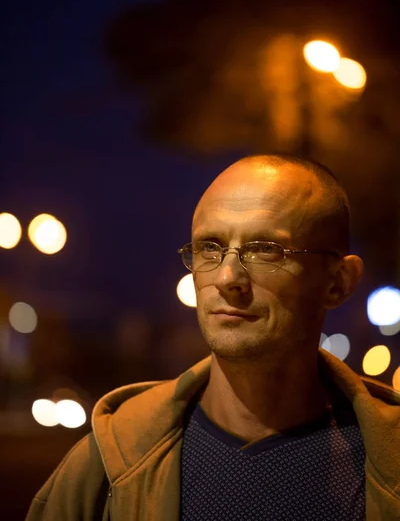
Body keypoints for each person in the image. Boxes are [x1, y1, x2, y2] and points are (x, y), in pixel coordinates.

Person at [26, 154, 400, 521]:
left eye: (265, 250)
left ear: (337, 283)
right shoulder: (106, 467)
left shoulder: (387, 464)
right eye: (209, 248)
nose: (226, 278)